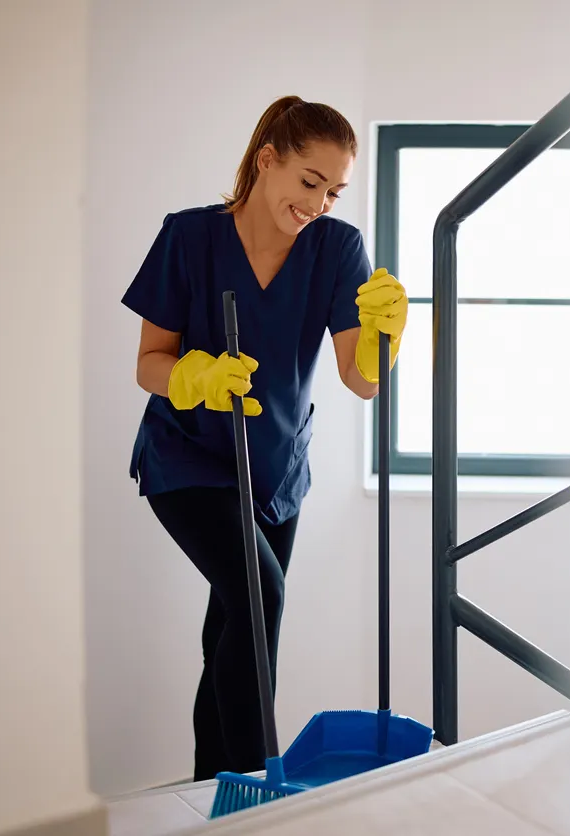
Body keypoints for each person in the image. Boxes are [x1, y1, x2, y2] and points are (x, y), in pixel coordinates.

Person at [120, 95, 407, 782]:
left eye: (333, 191)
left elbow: (360, 382)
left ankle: (210, 791)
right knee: (259, 596)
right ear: (267, 160)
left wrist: (384, 335)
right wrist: (196, 375)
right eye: (309, 182)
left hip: (276, 469)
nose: (319, 204)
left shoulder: (338, 249)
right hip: (187, 457)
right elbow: (148, 363)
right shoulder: (188, 238)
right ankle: (257, 787)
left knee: (236, 632)